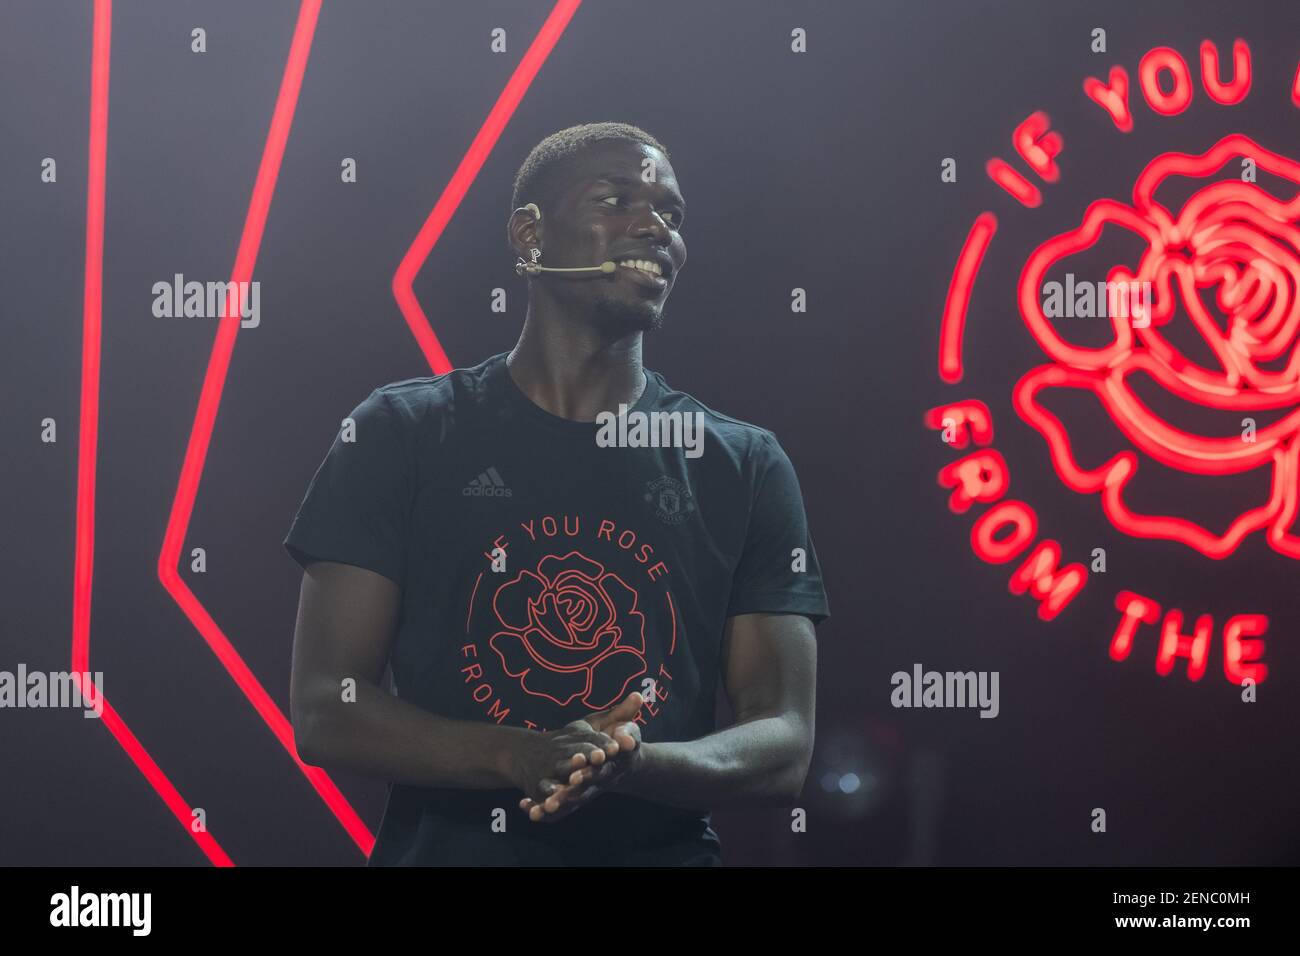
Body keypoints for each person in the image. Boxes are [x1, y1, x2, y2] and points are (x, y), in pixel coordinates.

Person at [285, 121, 830, 865]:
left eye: (671, 214)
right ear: (529, 236)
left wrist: (630, 764)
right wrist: (519, 756)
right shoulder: (401, 432)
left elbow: (783, 742)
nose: (655, 227)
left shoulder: (743, 463)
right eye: (616, 199)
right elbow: (325, 708)